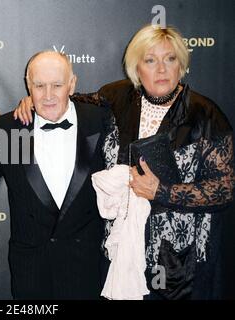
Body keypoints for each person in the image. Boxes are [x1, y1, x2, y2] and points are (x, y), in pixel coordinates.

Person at [15, 25, 234, 300]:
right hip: (119, 252)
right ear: (136, 68)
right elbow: (65, 100)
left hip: (178, 260)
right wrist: (34, 100)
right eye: (150, 60)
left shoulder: (206, 114)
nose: (162, 69)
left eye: (170, 59)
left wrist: (162, 192)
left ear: (182, 64)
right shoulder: (119, 97)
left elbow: (225, 189)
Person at [0, 51, 108, 299]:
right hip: (32, 274)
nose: (47, 95)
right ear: (28, 85)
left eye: (57, 85)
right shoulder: (9, 128)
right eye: (39, 86)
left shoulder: (102, 121)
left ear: (72, 84)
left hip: (86, 272)